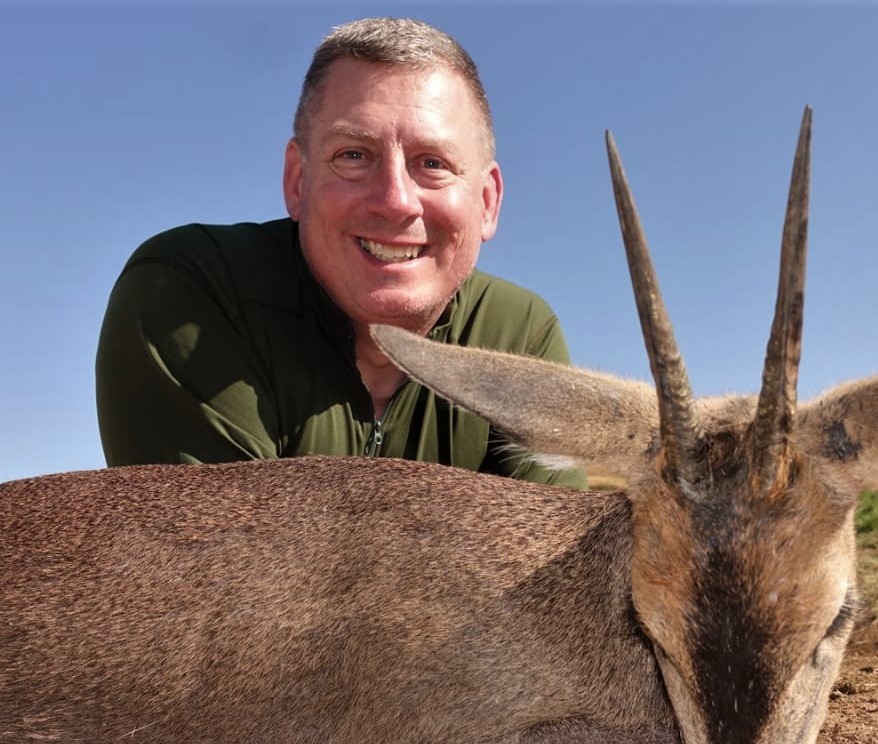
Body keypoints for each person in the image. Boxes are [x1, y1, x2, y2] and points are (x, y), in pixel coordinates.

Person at [95, 17, 585, 488]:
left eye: (432, 163)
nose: (395, 201)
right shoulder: (190, 289)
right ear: (297, 180)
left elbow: (566, 558)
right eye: (353, 155)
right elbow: (217, 565)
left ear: (487, 201)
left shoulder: (521, 334)